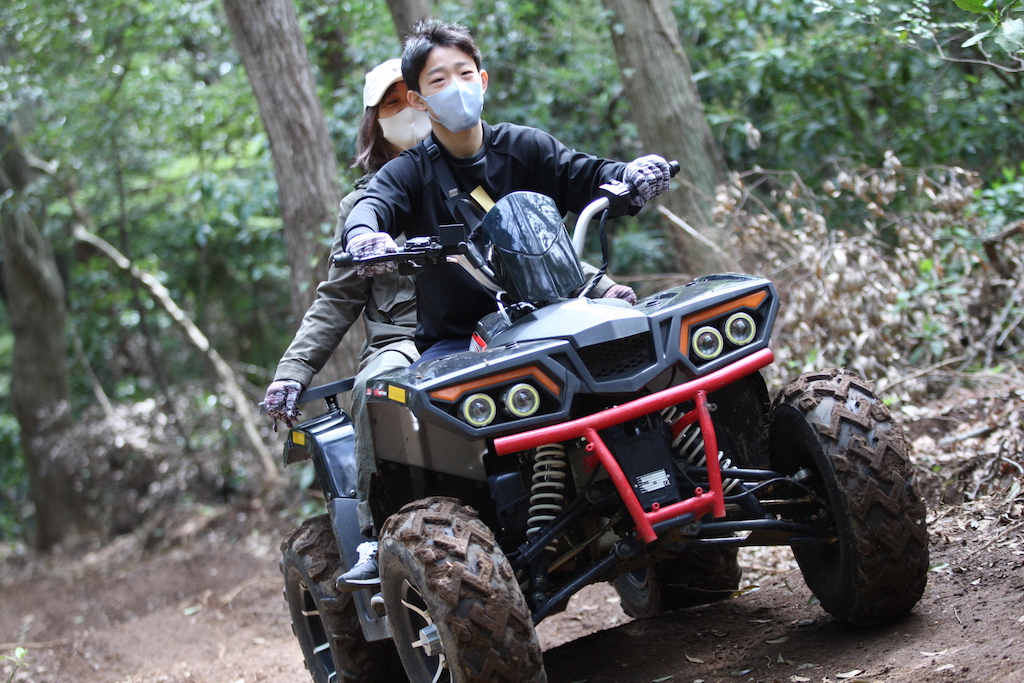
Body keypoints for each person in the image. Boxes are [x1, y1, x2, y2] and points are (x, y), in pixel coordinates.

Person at [335, 20, 671, 585]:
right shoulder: (408, 172)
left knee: (651, 354)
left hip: (553, 310)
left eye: (464, 73)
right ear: (418, 99)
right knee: (422, 424)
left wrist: (631, 175)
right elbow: (374, 203)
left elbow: (585, 174)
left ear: (483, 79)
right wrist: (366, 234)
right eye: (438, 80)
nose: (456, 87)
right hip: (459, 338)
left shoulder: (523, 146)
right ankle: (414, 542)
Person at [264, 59, 431, 546]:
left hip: (493, 322)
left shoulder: (473, 172)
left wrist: (598, 285)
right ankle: (377, 532)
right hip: (406, 340)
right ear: (375, 123)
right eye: (391, 104)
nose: (406, 111)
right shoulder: (363, 206)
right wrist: (293, 371)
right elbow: (338, 298)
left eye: (413, 97)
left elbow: (531, 242)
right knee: (377, 386)